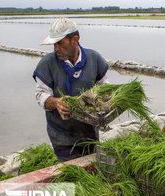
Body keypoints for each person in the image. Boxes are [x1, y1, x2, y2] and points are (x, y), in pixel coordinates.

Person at [33, 18, 109, 162]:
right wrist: (56, 103)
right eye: (54, 44)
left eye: (59, 43)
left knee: (92, 171)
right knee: (73, 176)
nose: (56, 48)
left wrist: (104, 100)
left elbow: (105, 86)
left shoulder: (95, 59)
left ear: (74, 40)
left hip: (90, 134)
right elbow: (40, 95)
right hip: (62, 138)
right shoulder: (47, 64)